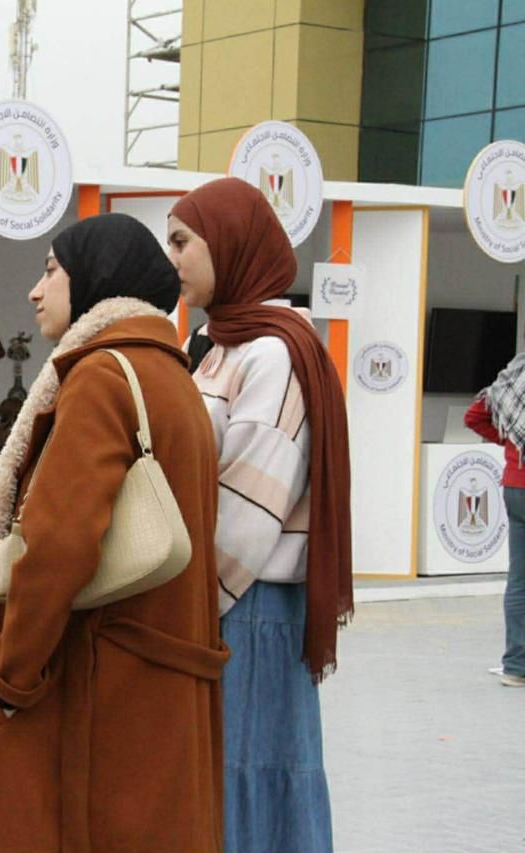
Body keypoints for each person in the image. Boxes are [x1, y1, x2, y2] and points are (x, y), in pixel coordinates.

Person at [0, 214, 227, 851]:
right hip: (153, 687)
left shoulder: (102, 376)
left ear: (98, 278)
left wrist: (10, 677)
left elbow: (59, 544)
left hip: (90, 692)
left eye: (52, 270)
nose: (35, 289)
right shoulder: (170, 373)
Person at [168, 177, 353, 853]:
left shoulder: (274, 353)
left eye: (183, 241)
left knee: (248, 780)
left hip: (249, 606)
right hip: (228, 604)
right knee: (228, 781)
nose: (173, 258)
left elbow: (247, 511)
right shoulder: (222, 344)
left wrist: (182, 608)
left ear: (231, 244)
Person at [465, 357, 525, 687]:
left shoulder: (513, 376)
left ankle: (516, 666)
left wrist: (511, 441)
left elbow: (474, 416)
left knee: (519, 580)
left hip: (516, 486)